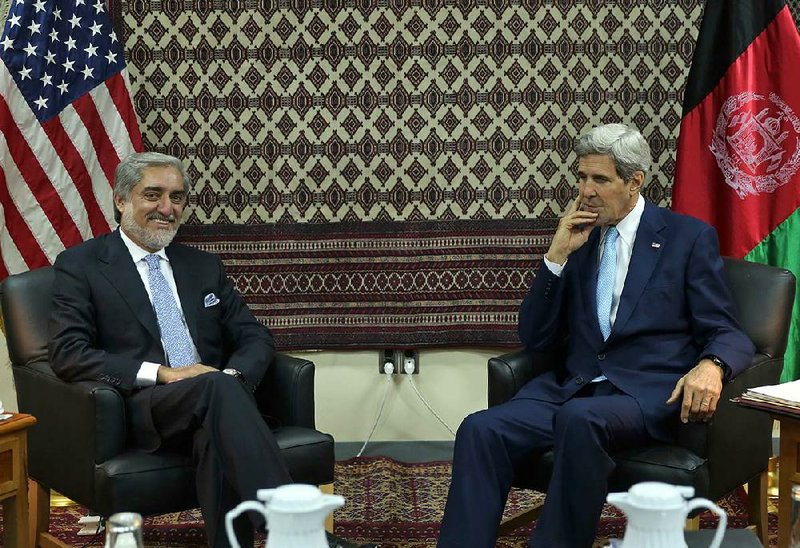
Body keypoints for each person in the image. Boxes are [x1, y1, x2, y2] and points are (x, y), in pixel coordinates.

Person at [437, 124, 755, 548]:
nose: (586, 190)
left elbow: (725, 329)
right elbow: (536, 337)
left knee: (580, 420)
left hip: (642, 392)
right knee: (480, 428)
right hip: (573, 385)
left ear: (634, 182)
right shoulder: (579, 237)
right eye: (582, 177)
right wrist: (556, 257)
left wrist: (712, 365)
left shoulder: (686, 238)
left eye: (600, 180)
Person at [48, 152, 370, 548]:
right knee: (216, 391)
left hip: (212, 402)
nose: (167, 208)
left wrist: (232, 380)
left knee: (216, 426)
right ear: (121, 200)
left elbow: (255, 337)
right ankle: (292, 531)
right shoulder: (81, 265)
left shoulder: (202, 266)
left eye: (177, 197)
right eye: (153, 195)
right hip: (142, 406)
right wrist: (165, 374)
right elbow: (68, 352)